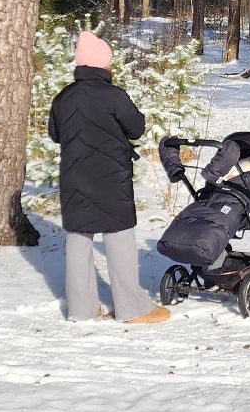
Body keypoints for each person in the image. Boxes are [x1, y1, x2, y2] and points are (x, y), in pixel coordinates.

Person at [48, 31, 170, 325]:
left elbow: (54, 134)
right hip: (110, 179)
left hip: (74, 178)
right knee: (120, 240)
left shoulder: (63, 97)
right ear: (104, 64)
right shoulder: (113, 96)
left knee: (78, 241)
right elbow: (137, 127)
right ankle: (132, 309)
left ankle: (81, 310)